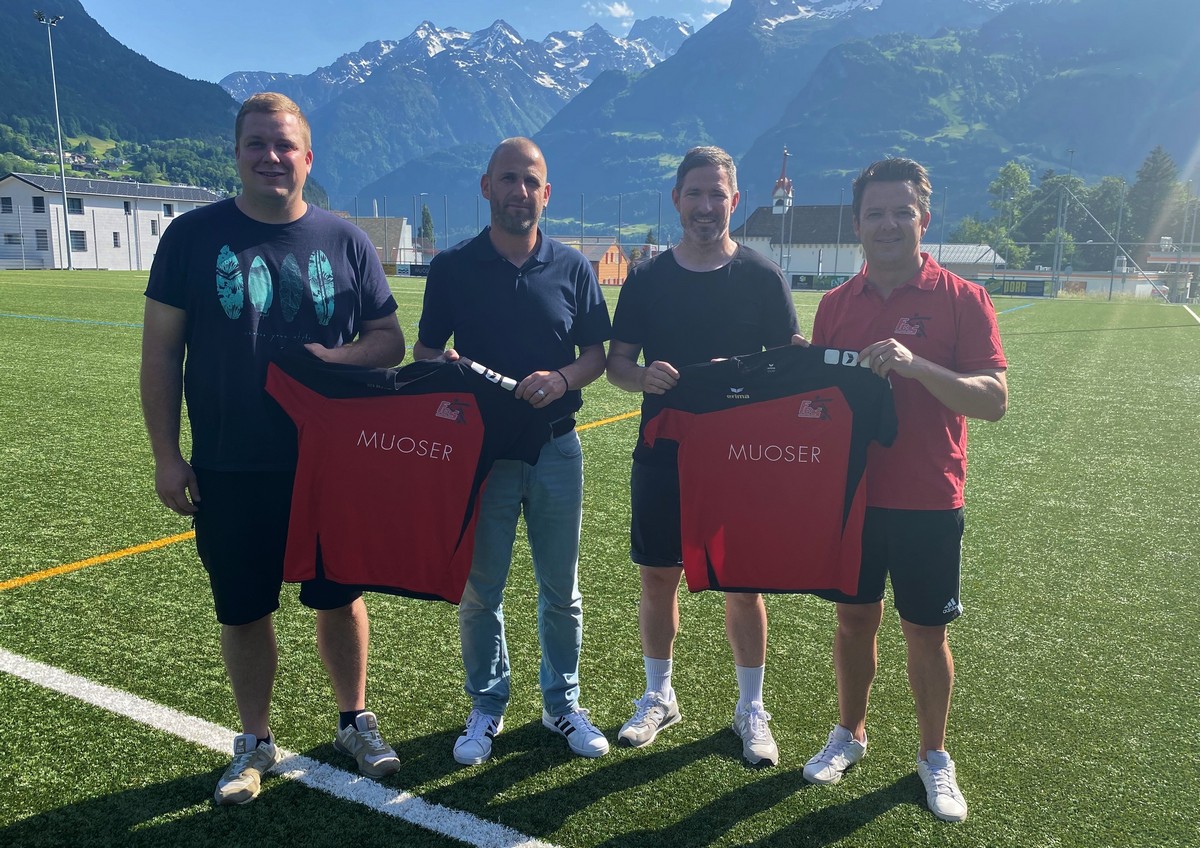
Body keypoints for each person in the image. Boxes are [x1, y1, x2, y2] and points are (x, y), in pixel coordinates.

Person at [140, 92, 408, 805]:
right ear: (236, 154)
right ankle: (255, 741)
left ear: (307, 158)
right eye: (256, 143)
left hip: (330, 466)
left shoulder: (345, 239)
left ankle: (354, 721)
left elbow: (389, 340)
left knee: (340, 598)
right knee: (243, 609)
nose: (271, 156)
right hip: (230, 464)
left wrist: (336, 359)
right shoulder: (192, 237)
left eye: (285, 144)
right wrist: (167, 455)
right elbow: (161, 352)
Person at [800, 158, 1008, 822]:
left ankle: (933, 755)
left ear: (924, 218)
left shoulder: (963, 298)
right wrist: (800, 374)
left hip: (928, 496)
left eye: (901, 212)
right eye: (875, 213)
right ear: (857, 223)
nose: (888, 224)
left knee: (925, 630)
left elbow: (993, 400)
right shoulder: (836, 305)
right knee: (853, 620)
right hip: (853, 497)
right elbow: (820, 406)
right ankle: (850, 733)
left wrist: (917, 367)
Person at [413, 137, 612, 764]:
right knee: (481, 593)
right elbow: (425, 351)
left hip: (556, 450)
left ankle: (562, 704)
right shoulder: (452, 267)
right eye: (508, 179)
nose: (519, 192)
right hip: (482, 458)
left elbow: (596, 355)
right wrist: (448, 369)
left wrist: (562, 380)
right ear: (486, 187)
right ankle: (487, 703)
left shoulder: (573, 266)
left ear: (546, 193)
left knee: (562, 592)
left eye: (530, 182)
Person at [606, 146, 801, 767]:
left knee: (742, 583)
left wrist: (749, 377)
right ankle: (659, 695)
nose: (706, 206)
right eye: (695, 193)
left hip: (742, 459)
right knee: (657, 575)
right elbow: (616, 364)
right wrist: (642, 378)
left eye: (717, 194)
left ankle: (751, 707)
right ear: (676, 200)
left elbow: (790, 365)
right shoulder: (646, 279)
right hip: (663, 448)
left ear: (735, 201)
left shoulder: (763, 277)